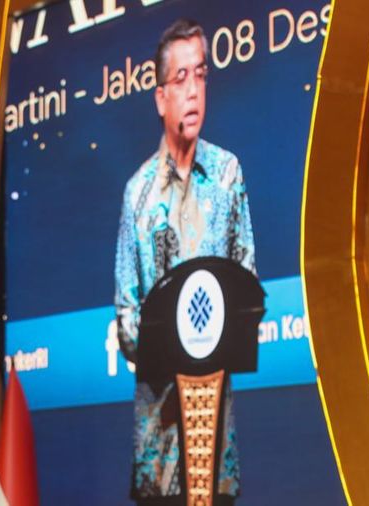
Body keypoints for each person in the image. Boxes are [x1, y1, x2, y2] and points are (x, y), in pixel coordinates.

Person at [114, 19, 256, 505]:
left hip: (216, 442)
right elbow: (127, 314)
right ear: (160, 98)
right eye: (181, 79)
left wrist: (214, 339)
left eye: (201, 75)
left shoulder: (227, 175)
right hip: (158, 443)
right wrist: (170, 344)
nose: (194, 90)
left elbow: (248, 285)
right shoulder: (138, 193)